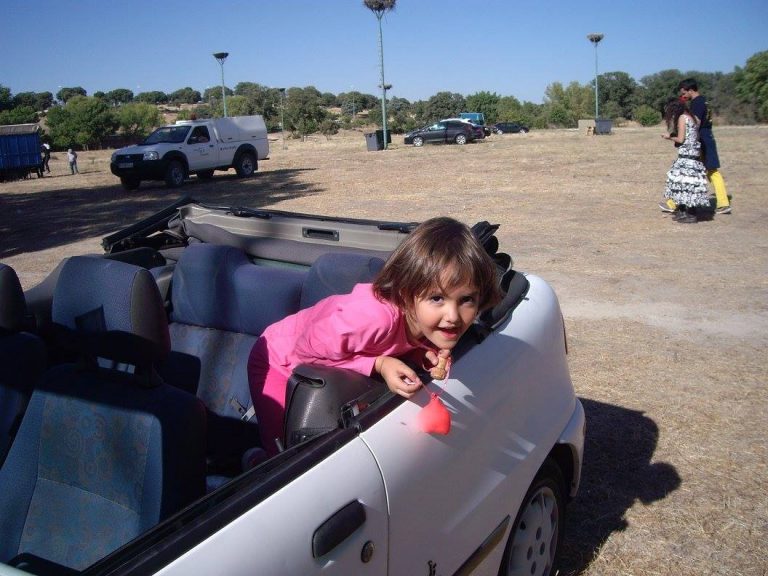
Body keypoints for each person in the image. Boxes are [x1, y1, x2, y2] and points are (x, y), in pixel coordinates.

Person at [247, 217, 502, 457]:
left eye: (467, 299)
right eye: (437, 298)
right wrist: (379, 364)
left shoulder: (422, 322)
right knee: (286, 454)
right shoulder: (374, 319)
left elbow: (400, 340)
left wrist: (420, 352)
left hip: (328, 350)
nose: (453, 316)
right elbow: (306, 349)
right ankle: (257, 462)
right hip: (278, 359)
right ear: (405, 294)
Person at [668, 78, 731, 214]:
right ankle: (675, 203)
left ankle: (723, 203)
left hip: (702, 141)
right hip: (705, 138)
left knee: (696, 171)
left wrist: (679, 132)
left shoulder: (697, 103)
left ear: (690, 90)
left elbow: (694, 123)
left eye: (684, 93)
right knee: (699, 172)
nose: (683, 96)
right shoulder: (704, 101)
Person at [661, 99, 710, 223]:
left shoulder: (682, 118)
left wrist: (669, 137)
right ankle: (683, 212)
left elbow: (681, 139)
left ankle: (690, 214)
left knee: (681, 183)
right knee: (688, 184)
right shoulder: (694, 118)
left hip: (686, 156)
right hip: (694, 154)